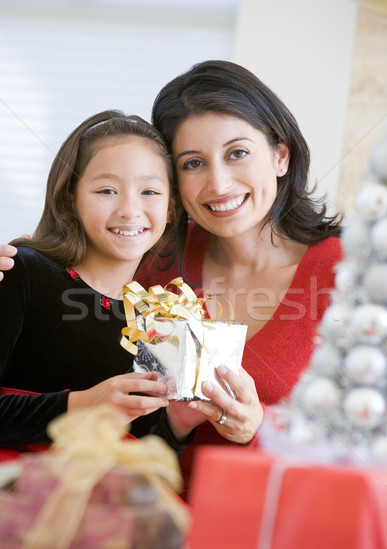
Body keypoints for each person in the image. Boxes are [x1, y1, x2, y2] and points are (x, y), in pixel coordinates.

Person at [0, 61, 343, 496]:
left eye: (237, 152)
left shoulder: (352, 275)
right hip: (141, 524)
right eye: (193, 162)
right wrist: (26, 254)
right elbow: (70, 275)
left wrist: (260, 426)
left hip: (279, 525)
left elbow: (373, 439)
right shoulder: (150, 263)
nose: (218, 182)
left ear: (280, 155)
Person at [0, 109, 182, 448]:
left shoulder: (158, 319)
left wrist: (181, 424)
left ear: (171, 208)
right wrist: (84, 404)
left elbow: (145, 446)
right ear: (71, 199)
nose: (130, 210)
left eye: (151, 192)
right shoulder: (20, 271)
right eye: (107, 190)